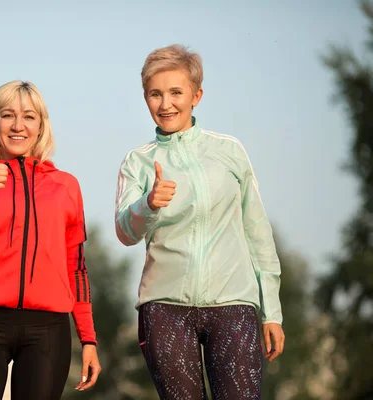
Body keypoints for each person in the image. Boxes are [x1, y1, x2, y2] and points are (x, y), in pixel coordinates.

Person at [115, 44, 285, 399]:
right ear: (145, 97)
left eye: (176, 92)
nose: (166, 104)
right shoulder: (137, 162)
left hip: (233, 305)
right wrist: (148, 204)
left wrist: (272, 311)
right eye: (155, 94)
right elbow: (124, 231)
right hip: (164, 309)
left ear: (197, 95)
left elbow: (257, 231)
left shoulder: (229, 151)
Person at [0, 80, 101, 399]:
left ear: (41, 125)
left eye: (29, 116)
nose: (18, 126)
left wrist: (88, 338)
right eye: (8, 115)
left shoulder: (66, 186)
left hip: (48, 330)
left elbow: (77, 267)